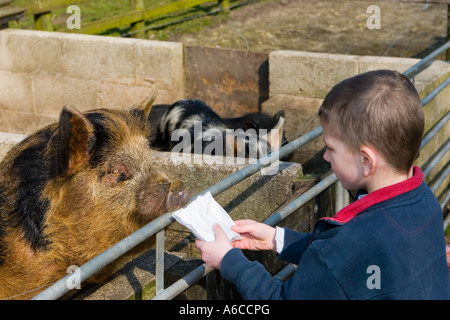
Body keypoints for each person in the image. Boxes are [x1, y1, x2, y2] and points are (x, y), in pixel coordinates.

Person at [195, 70, 450, 299]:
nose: (325, 157)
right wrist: (277, 239)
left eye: (330, 148)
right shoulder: (425, 204)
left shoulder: (354, 239)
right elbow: (348, 263)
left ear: (365, 160)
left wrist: (230, 262)